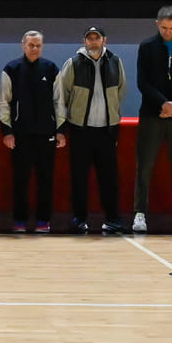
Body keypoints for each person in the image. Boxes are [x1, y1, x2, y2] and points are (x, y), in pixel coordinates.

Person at [133, 6, 172, 233]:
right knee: (144, 166)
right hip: (152, 115)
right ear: (157, 24)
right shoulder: (147, 46)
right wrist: (162, 103)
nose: (167, 32)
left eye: (171, 28)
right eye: (163, 28)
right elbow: (143, 82)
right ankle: (140, 214)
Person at [58, 26, 127, 233]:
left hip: (106, 131)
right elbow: (62, 95)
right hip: (81, 130)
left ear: (105, 40)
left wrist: (112, 118)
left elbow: (121, 90)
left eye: (97, 38)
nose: (93, 41)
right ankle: (79, 218)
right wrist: (63, 126)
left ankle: (112, 218)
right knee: (79, 178)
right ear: (84, 41)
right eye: (90, 38)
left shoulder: (115, 62)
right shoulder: (73, 63)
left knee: (109, 178)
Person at [0, 31, 65, 233]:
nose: (35, 48)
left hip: (46, 134)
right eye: (31, 45)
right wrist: (7, 131)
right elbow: (4, 102)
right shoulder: (12, 69)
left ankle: (43, 221)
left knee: (46, 179)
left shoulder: (51, 69)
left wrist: (60, 130)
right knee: (20, 179)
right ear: (23, 45)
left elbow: (59, 101)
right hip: (20, 135)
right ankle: (19, 220)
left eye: (38, 45)